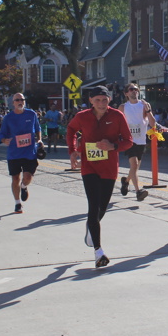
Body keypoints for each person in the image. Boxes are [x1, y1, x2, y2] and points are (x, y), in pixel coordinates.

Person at [66, 85, 133, 268]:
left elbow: (128, 141)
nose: (101, 104)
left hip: (109, 168)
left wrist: (113, 146)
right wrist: (73, 150)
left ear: (109, 100)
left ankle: (91, 226)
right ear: (91, 101)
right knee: (93, 206)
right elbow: (71, 130)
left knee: (102, 208)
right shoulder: (82, 116)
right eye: (97, 100)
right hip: (89, 167)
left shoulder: (117, 116)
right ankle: (98, 251)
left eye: (104, 100)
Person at [0, 92, 42, 213]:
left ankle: (24, 186)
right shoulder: (8, 118)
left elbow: (38, 129)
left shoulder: (31, 114)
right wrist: (4, 140)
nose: (20, 102)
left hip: (29, 152)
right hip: (14, 153)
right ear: (13, 103)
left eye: (22, 100)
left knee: (27, 177)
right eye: (17, 100)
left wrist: (39, 140)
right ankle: (17, 203)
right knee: (15, 178)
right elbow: (2, 134)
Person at [118, 83, 155, 201]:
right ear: (126, 93)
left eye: (136, 89)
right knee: (133, 165)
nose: (134, 91)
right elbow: (117, 123)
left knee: (135, 167)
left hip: (141, 140)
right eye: (131, 89)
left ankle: (126, 181)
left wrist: (148, 111)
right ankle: (138, 191)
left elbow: (153, 123)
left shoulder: (144, 105)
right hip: (129, 140)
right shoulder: (123, 107)